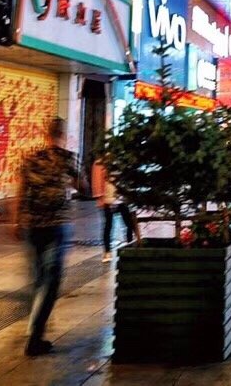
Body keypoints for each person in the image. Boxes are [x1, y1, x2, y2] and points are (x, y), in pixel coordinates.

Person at [17, 117, 86, 357]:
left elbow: (21, 190)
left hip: (34, 225)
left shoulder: (31, 159)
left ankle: (35, 325)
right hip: (57, 225)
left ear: (46, 134)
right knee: (51, 281)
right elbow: (84, 187)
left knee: (39, 279)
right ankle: (35, 336)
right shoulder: (67, 158)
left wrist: (18, 221)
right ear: (63, 134)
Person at [93, 161, 140, 263]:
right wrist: (100, 197)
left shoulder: (123, 158)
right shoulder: (100, 162)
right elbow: (97, 180)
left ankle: (129, 247)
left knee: (129, 224)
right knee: (108, 225)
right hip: (108, 199)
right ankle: (107, 251)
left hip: (122, 199)